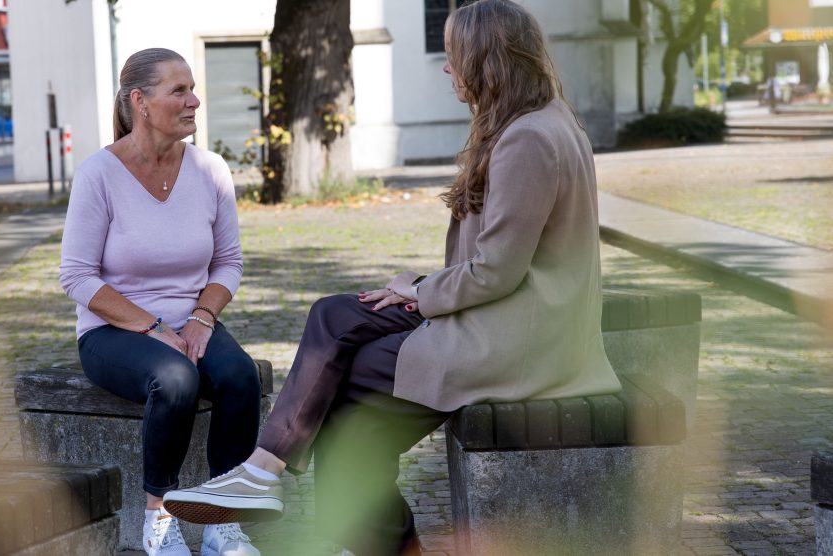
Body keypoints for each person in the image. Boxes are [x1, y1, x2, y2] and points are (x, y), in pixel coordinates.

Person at [164, 0, 622, 553]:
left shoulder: (528, 138)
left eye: (454, 56)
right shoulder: (539, 121)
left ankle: (281, 483)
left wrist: (422, 290)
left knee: (344, 391)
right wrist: (420, 287)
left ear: (486, 59)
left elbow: (498, 271)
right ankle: (270, 477)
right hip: (511, 321)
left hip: (519, 341)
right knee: (334, 323)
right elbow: (506, 260)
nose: (447, 68)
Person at [59, 48, 263, 556]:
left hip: (190, 319)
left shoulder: (210, 169)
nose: (194, 100)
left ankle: (222, 521)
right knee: (175, 378)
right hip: (114, 330)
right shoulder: (98, 175)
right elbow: (77, 277)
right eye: (179, 91)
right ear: (141, 102)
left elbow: (228, 263)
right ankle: (159, 518)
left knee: (241, 377)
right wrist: (154, 329)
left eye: (193, 88)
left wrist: (201, 316)